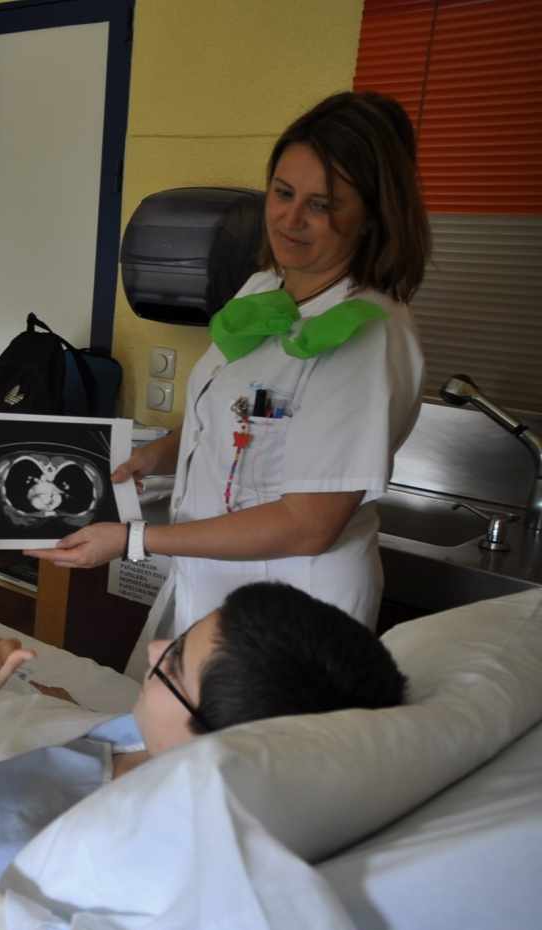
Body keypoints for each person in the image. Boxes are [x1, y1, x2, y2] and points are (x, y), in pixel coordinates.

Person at [27, 91, 431, 678]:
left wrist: (137, 539)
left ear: (370, 215)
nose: (291, 219)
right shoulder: (264, 289)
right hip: (213, 583)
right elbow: (239, 409)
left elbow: (309, 524)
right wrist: (158, 454)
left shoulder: (366, 337)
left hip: (291, 608)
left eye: (322, 205)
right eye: (284, 193)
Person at [0, 582, 407, 920]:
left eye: (171, 664)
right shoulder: (156, 739)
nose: (152, 648)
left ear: (214, 745)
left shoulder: (51, 850)